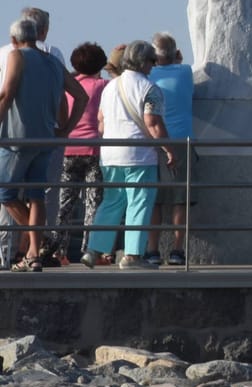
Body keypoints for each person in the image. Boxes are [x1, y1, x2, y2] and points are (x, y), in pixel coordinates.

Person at [84, 40, 172, 270]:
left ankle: (93, 250)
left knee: (111, 203)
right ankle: (132, 256)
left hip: (110, 154)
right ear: (144, 62)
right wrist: (170, 149)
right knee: (139, 204)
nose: (153, 66)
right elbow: (153, 123)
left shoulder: (110, 87)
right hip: (139, 155)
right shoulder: (150, 89)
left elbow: (101, 123)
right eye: (152, 61)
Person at [0, 19, 69, 272]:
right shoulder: (53, 61)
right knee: (36, 197)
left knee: (5, 193)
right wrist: (66, 129)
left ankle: (37, 241)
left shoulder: (17, 55)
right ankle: (34, 253)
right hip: (46, 138)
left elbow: (7, 93)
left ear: (14, 39)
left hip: (18, 139)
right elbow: (78, 96)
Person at [45, 43, 109, 266]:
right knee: (93, 203)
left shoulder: (67, 86)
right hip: (93, 150)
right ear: (100, 64)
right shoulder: (103, 86)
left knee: (64, 206)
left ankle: (57, 251)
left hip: (68, 150)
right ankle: (89, 250)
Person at [149, 33, 194, 266]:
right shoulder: (185, 72)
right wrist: (176, 59)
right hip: (182, 141)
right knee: (180, 199)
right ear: (176, 54)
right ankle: (177, 251)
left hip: (154, 141)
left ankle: (152, 250)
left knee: (154, 199)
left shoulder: (147, 76)